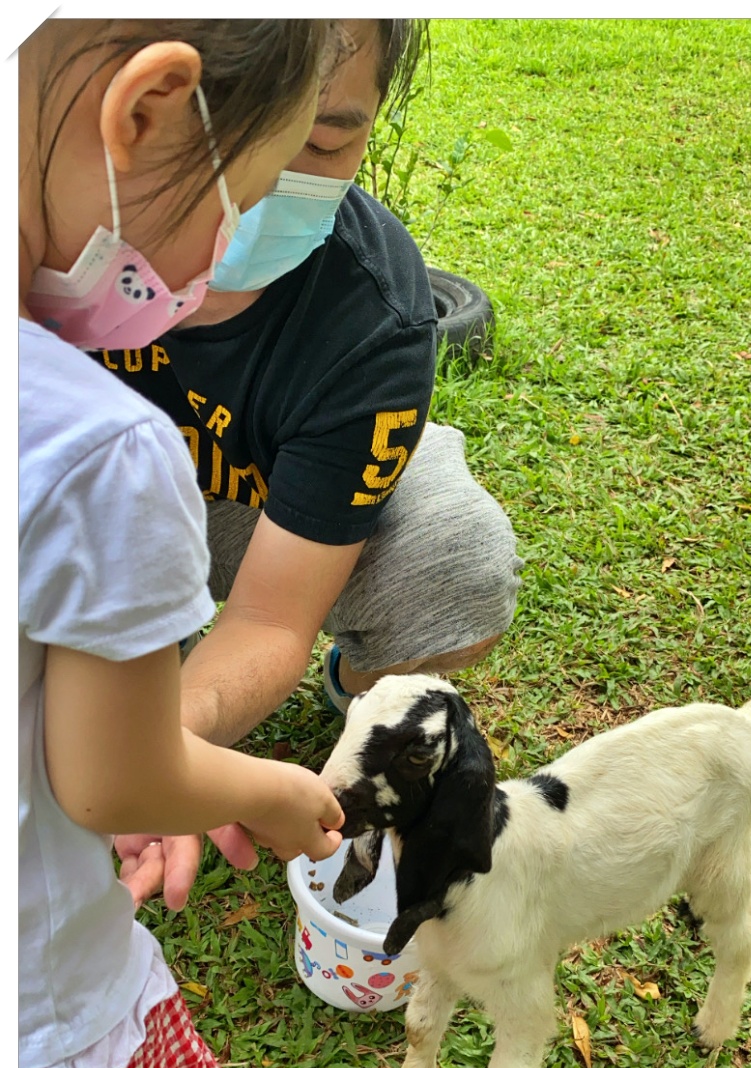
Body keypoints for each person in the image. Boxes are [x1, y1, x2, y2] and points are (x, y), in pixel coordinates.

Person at [19, 18, 347, 1068]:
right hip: (31, 949)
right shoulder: (96, 445)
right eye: (259, 194)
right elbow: (111, 783)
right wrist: (265, 789)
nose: (234, 260)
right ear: (150, 109)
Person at [101, 18, 524, 912]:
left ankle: (345, 682)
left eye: (327, 140)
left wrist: (160, 750)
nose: (246, 201)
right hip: (112, 497)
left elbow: (268, 615)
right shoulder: (38, 235)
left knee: (455, 562)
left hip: (261, 504)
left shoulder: (371, 318)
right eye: (221, 136)